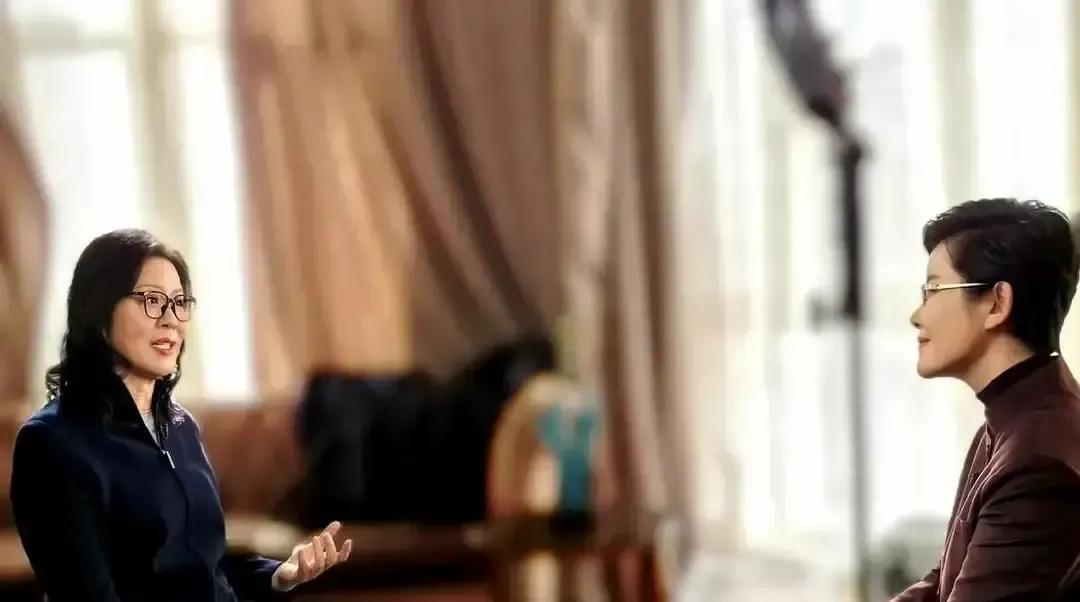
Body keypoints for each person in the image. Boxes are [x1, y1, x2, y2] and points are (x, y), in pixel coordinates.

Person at [11, 229, 353, 601]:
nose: (171, 320)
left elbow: (207, 567)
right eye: (152, 301)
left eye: (179, 302)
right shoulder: (51, 441)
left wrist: (279, 574)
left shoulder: (181, 425)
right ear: (99, 311)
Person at [893, 199, 1080, 600]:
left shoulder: (1038, 460)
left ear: (997, 303)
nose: (917, 315)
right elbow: (943, 580)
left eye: (933, 289)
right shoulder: (1010, 425)